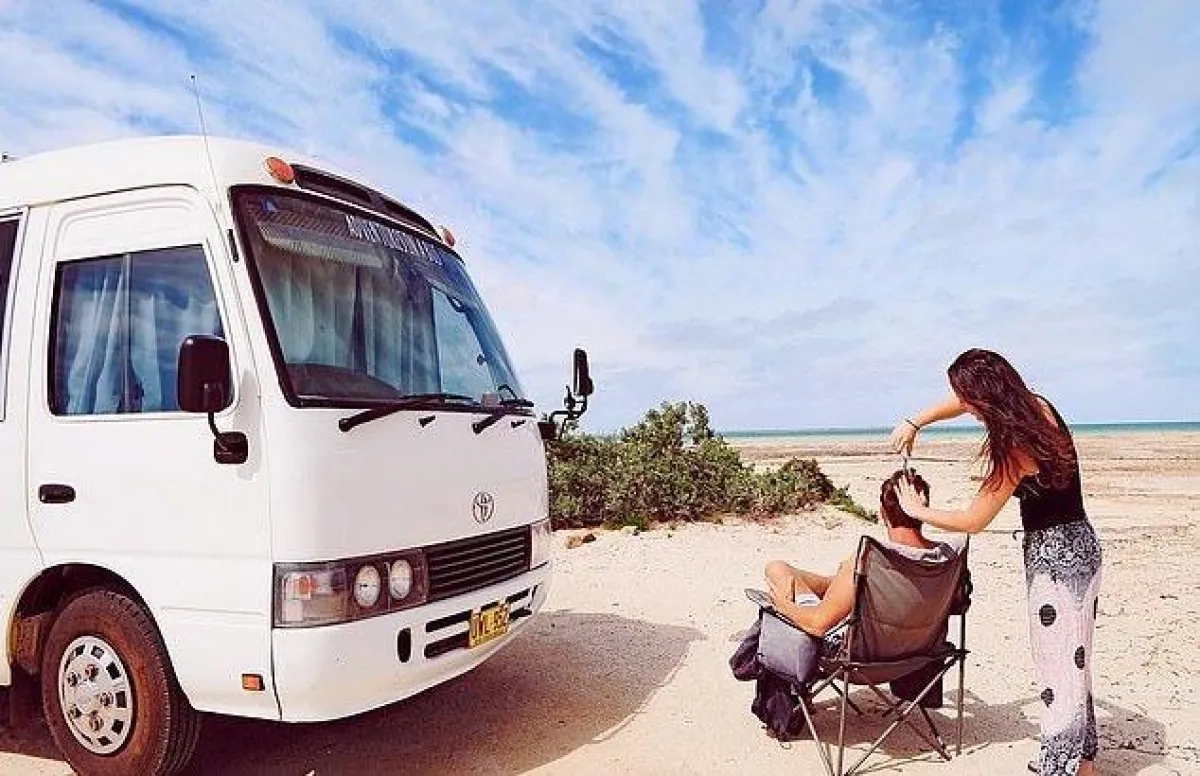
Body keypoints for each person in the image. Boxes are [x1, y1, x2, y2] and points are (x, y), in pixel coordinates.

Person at [889, 348, 1102, 776]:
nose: (965, 409)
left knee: (1056, 663)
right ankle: (1079, 759)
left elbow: (975, 519)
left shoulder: (1016, 448)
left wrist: (918, 510)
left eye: (969, 401)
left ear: (985, 397)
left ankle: (1064, 767)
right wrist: (916, 422)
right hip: (1083, 545)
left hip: (1055, 561)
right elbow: (962, 401)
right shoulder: (1038, 407)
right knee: (1073, 659)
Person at [764, 468, 957, 637]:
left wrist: (784, 607)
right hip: (921, 650)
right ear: (924, 509)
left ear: (883, 513)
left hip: (861, 653)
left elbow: (818, 625)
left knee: (776, 570)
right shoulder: (947, 557)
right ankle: (840, 582)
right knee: (796, 570)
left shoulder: (872, 559)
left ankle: (841, 582)